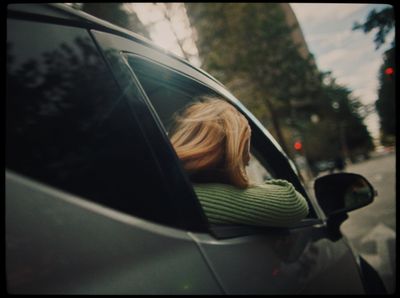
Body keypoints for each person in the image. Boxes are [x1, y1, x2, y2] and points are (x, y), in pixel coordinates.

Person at [170, 96, 309, 227]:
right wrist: (241, 184)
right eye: (244, 151)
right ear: (230, 153)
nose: (248, 158)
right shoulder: (195, 199)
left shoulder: (164, 189)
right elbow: (294, 201)